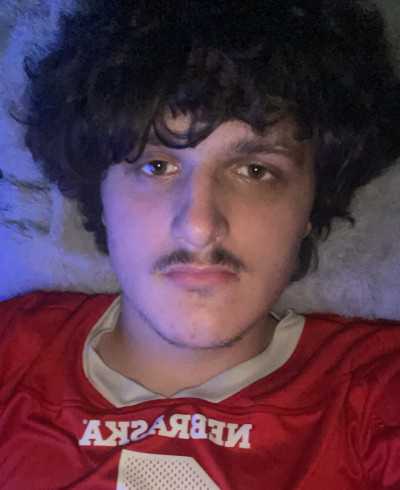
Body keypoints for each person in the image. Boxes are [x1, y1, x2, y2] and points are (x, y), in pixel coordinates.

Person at [1, 0, 400, 488]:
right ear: (99, 194)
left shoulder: (378, 393)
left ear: (311, 205)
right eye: (156, 167)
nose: (198, 227)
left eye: (255, 170)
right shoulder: (10, 355)